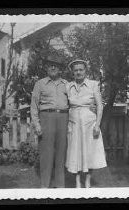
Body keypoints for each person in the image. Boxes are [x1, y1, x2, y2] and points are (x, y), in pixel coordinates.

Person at [66, 59, 107, 188]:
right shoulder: (68, 86)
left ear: (85, 71)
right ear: (72, 72)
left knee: (90, 152)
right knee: (75, 153)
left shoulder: (94, 85)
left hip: (90, 124)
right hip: (73, 124)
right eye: (76, 70)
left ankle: (88, 180)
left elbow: (100, 106)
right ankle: (78, 181)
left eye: (81, 70)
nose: (78, 72)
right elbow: (65, 105)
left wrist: (97, 125)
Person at [30, 53, 68, 188]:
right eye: (50, 65)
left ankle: (60, 186)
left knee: (61, 153)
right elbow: (34, 107)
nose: (53, 67)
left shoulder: (67, 85)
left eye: (56, 65)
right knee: (46, 154)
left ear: (60, 69)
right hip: (46, 118)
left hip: (63, 118)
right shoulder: (40, 84)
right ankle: (44, 186)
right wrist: (37, 125)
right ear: (47, 67)